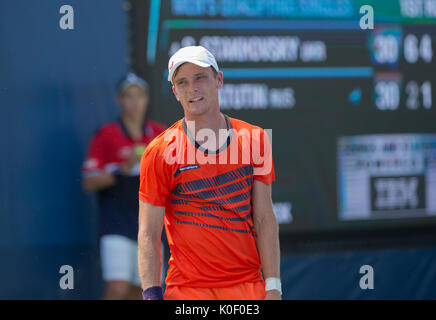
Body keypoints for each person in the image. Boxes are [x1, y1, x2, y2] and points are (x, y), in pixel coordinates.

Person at [137, 46, 281, 300]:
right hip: (187, 292)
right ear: (175, 92)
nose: (191, 88)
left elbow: (265, 218)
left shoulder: (254, 139)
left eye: (200, 77)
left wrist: (273, 286)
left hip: (248, 287)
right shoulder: (159, 151)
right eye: (182, 82)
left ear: (219, 80)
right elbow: (148, 232)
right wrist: (150, 295)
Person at [82, 73, 167, 300]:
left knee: (141, 292)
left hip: (151, 226)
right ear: (119, 100)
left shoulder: (161, 135)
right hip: (116, 224)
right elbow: (89, 182)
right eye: (129, 96)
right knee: (117, 288)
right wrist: (122, 169)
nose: (135, 102)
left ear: (147, 99)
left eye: (139, 96)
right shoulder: (106, 135)